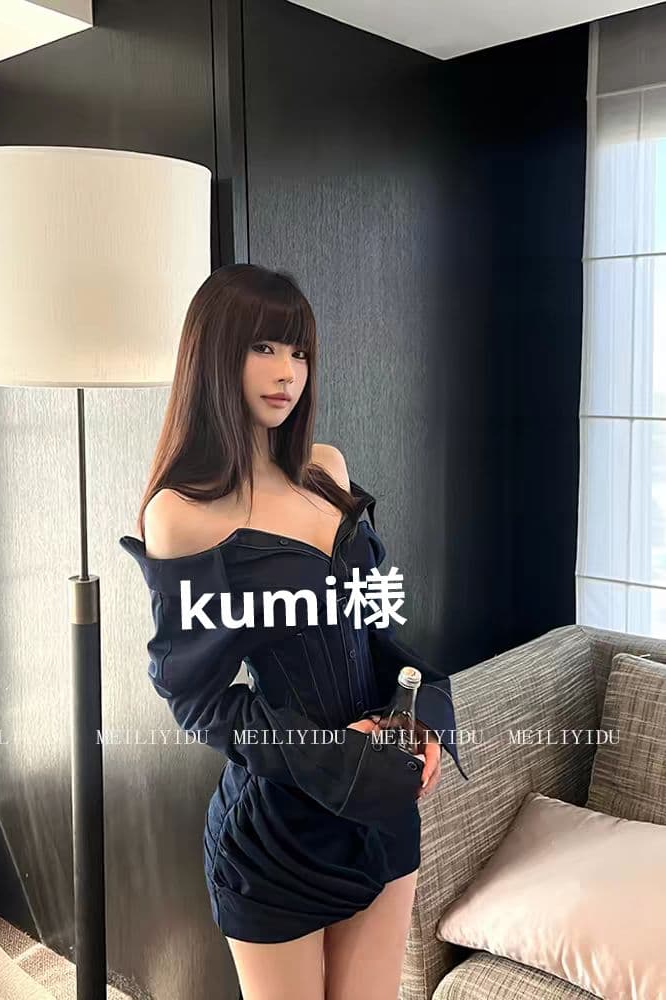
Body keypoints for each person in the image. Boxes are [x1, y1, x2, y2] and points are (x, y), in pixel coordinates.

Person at [119, 263, 469, 1000]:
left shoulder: (325, 469)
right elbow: (199, 701)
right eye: (264, 348)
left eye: (299, 352)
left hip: (380, 806)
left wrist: (419, 719)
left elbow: (371, 627)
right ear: (214, 355)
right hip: (280, 830)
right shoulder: (180, 513)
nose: (288, 373)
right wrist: (337, 754)